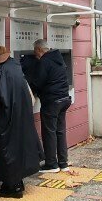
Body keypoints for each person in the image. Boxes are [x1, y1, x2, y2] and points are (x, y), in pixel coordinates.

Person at [0, 39, 43, 198]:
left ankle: (12, 188)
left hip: (7, 118)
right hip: (21, 115)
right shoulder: (13, 65)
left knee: (7, 151)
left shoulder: (0, 71)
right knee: (18, 149)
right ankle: (17, 182)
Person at [27, 39, 73, 172]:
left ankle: (51, 164)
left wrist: (28, 88)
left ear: (40, 50)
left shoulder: (44, 61)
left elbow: (38, 82)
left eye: (36, 52)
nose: (36, 56)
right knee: (60, 131)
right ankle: (63, 163)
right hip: (64, 99)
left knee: (49, 132)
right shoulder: (58, 59)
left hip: (52, 101)